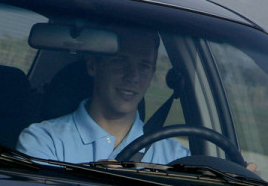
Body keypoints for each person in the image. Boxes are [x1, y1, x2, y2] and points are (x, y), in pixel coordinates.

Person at [17, 29, 187, 164]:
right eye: (120, 61)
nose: (133, 77)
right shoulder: (44, 140)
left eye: (144, 66)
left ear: (152, 75)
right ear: (92, 65)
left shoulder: (176, 156)